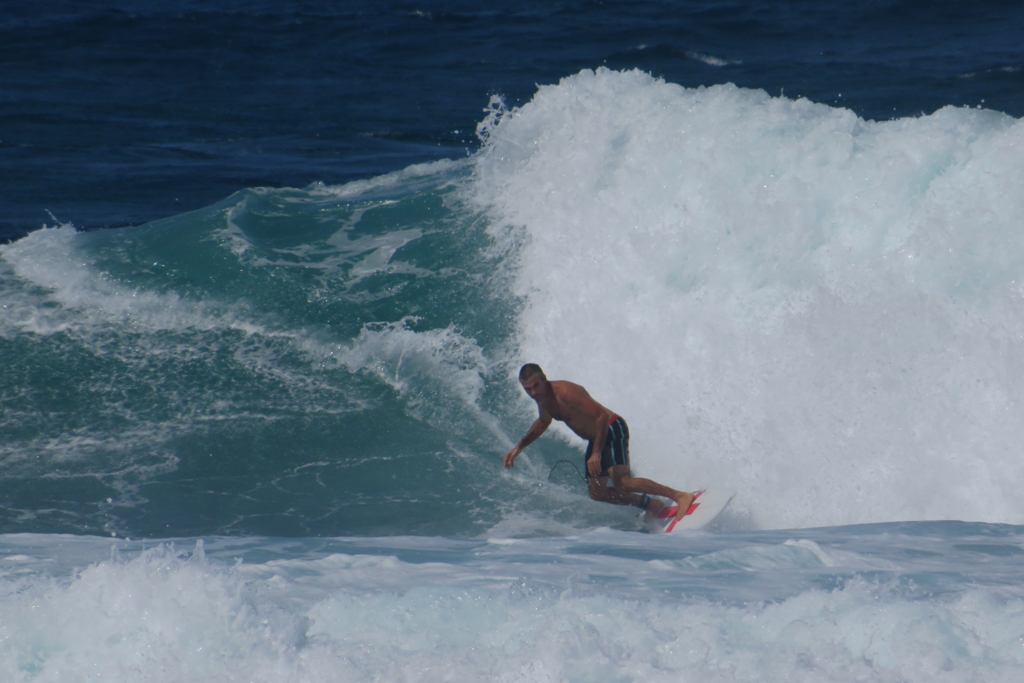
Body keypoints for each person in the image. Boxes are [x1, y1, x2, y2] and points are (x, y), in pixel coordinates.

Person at [504, 363, 695, 522]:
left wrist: (596, 452)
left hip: (611, 428)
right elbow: (544, 421)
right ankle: (650, 504)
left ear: (544, 378)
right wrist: (518, 447)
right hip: (597, 438)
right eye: (528, 389)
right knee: (597, 493)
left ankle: (679, 495)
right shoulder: (542, 399)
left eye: (536, 386)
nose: (533, 392)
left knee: (623, 482)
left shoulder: (566, 392)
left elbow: (601, 417)